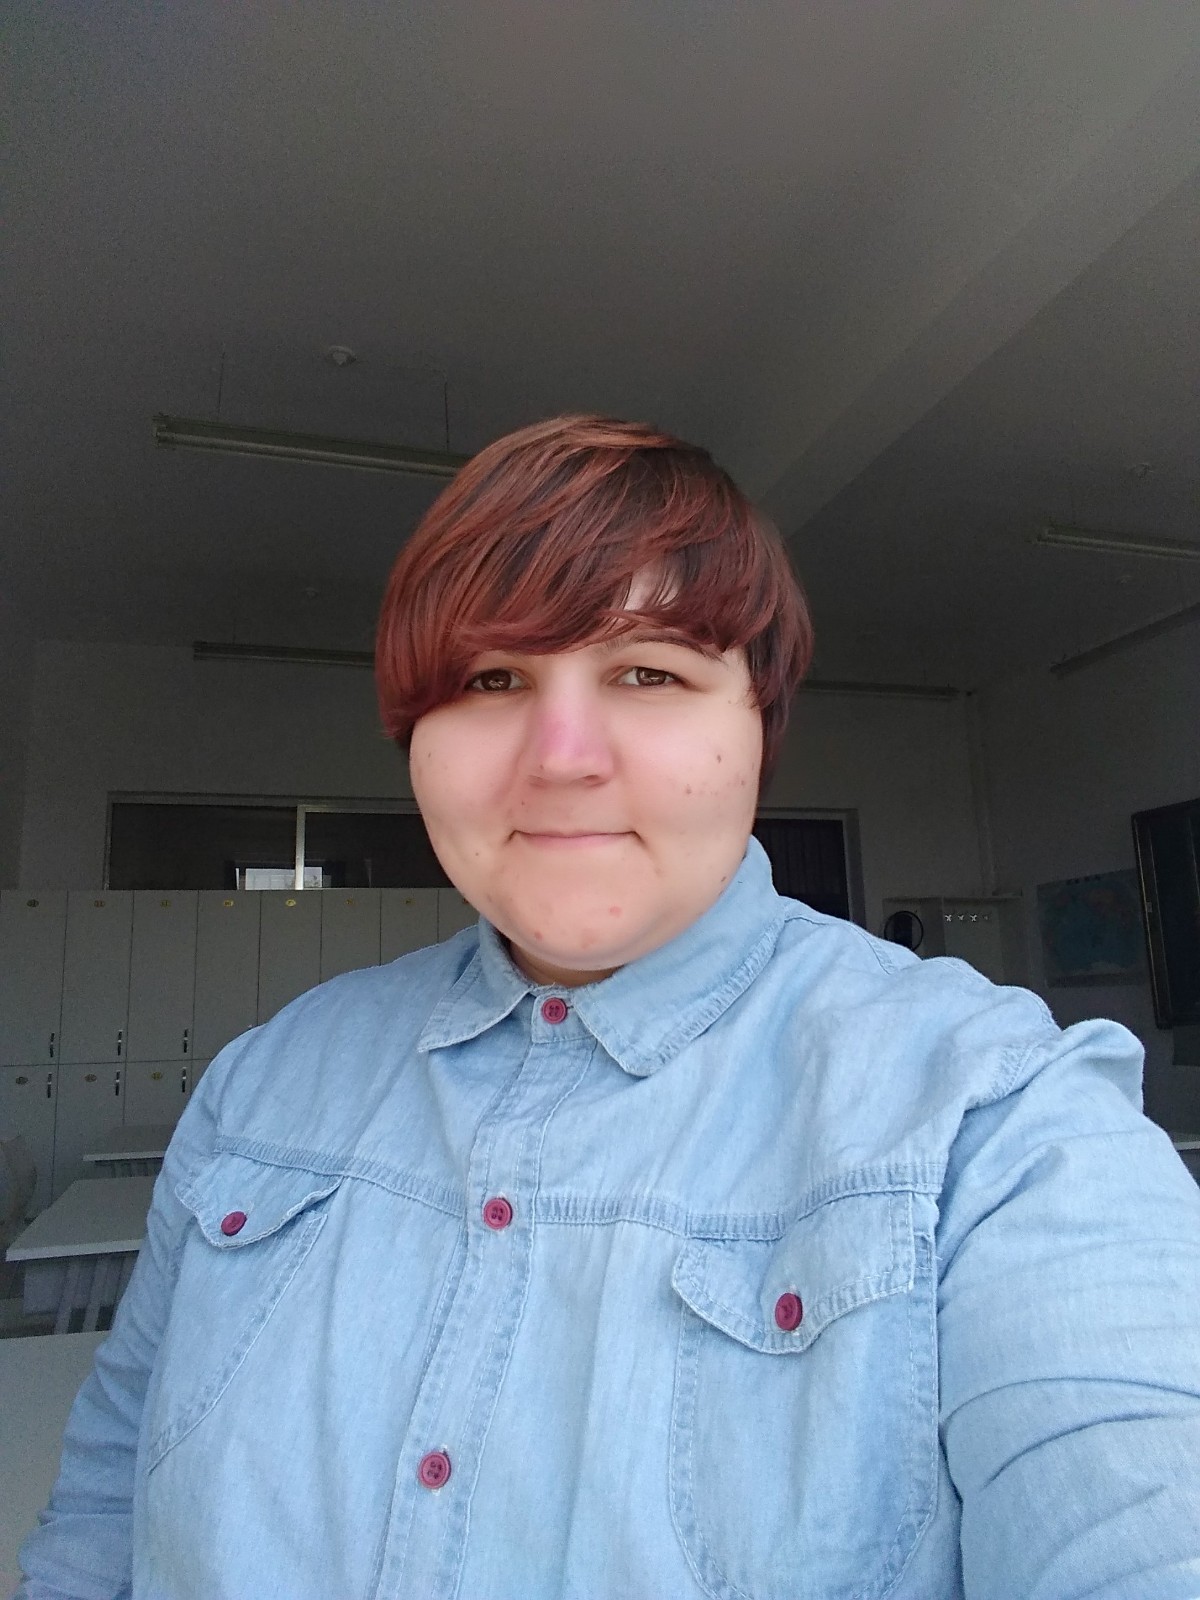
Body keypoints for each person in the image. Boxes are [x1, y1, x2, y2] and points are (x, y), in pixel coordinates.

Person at [17, 416, 1200, 1599]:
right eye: (491, 679)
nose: (562, 756)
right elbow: (103, 1513)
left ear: (759, 722)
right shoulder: (263, 1082)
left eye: (650, 673)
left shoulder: (994, 1122)